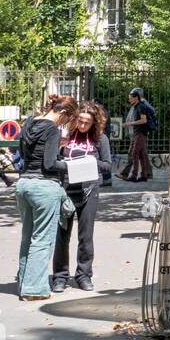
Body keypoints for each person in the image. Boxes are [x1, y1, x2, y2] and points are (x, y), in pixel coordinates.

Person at [15, 94, 78, 301]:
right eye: (66, 120)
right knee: (42, 240)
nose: (64, 124)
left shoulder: (29, 123)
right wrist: (71, 165)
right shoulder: (51, 129)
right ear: (62, 113)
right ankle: (34, 290)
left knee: (27, 237)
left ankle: (24, 283)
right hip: (44, 186)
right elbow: (50, 163)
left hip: (24, 184)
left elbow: (23, 157)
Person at [52, 102, 104, 293]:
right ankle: (59, 276)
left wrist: (90, 163)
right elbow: (52, 161)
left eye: (87, 123)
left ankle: (83, 275)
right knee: (62, 235)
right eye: (80, 121)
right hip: (66, 190)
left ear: (94, 124)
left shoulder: (99, 140)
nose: (82, 126)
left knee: (86, 236)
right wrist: (66, 164)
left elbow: (107, 166)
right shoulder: (64, 137)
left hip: (89, 190)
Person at [117, 87, 157, 183]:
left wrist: (130, 124)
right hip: (135, 133)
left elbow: (143, 120)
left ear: (137, 96)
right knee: (141, 154)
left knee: (134, 153)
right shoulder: (135, 106)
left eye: (130, 97)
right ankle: (145, 175)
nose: (129, 99)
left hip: (139, 133)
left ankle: (133, 175)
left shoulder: (141, 105)